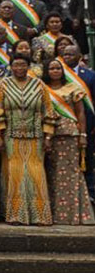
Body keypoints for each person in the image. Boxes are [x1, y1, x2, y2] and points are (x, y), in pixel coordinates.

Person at [0, 55, 55, 225]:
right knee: (15, 175)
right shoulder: (3, 85)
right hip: (11, 137)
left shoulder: (39, 85)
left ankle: (40, 215)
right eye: (16, 65)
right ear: (11, 67)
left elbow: (48, 111)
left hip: (36, 137)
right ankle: (15, 215)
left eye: (23, 65)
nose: (19, 68)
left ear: (29, 67)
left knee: (36, 174)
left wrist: (48, 136)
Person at [42, 58, 94, 225]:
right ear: (46, 71)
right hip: (48, 135)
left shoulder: (73, 88)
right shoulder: (42, 89)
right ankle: (54, 213)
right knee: (52, 173)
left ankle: (73, 215)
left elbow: (80, 114)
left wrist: (83, 135)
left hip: (69, 134)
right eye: (51, 68)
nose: (55, 71)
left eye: (58, 68)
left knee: (70, 173)